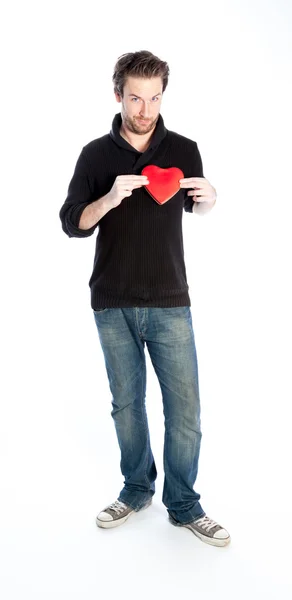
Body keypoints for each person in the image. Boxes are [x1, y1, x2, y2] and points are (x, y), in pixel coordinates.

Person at [59, 50, 230, 547]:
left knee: (186, 410)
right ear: (118, 95)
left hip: (170, 299)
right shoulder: (95, 155)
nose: (145, 108)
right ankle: (136, 490)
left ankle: (184, 504)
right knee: (126, 405)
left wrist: (210, 201)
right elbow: (72, 223)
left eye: (154, 97)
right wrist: (110, 198)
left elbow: (195, 208)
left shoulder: (184, 148)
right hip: (112, 301)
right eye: (136, 97)